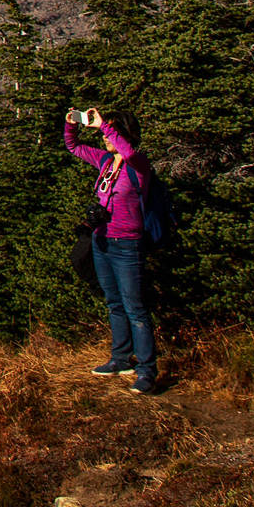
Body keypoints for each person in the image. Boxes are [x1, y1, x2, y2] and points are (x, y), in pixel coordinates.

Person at [65, 106, 157, 394]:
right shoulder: (106, 161)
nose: (106, 137)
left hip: (127, 244)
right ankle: (120, 358)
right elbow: (73, 146)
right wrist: (71, 124)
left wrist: (104, 126)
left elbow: (127, 152)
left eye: (115, 130)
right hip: (102, 240)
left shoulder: (137, 165)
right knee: (114, 302)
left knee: (135, 308)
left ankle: (146, 370)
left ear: (126, 132)